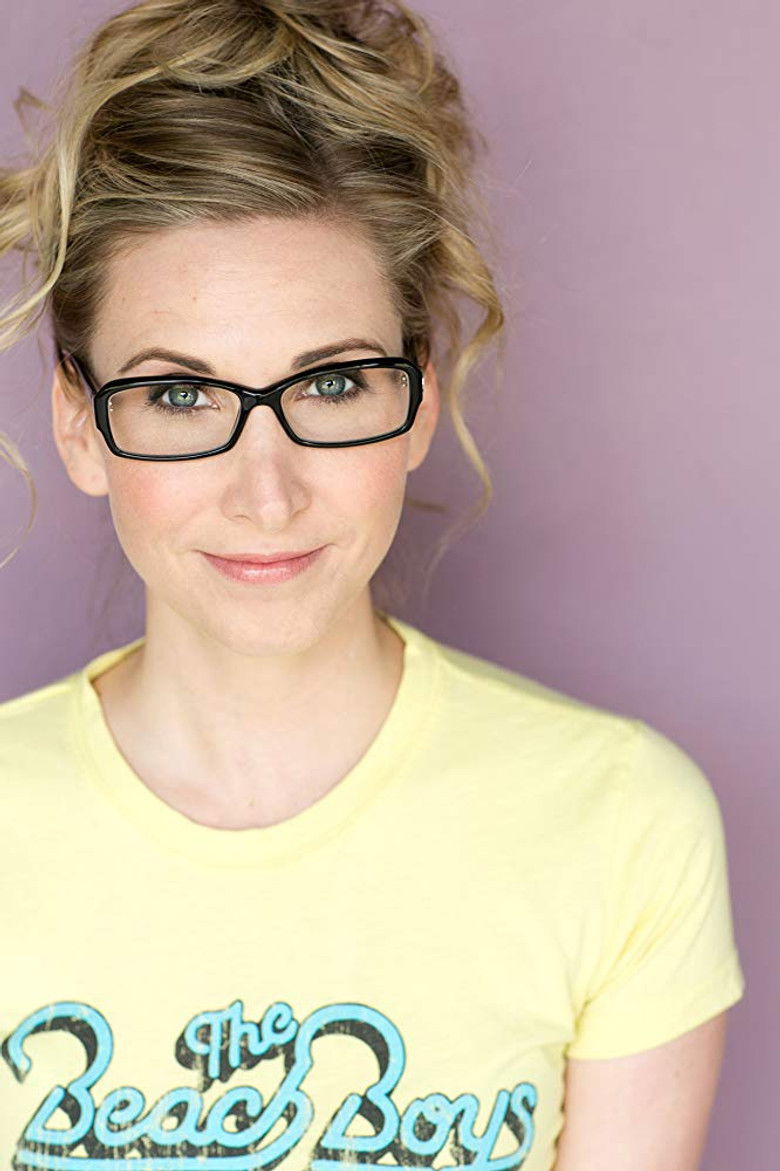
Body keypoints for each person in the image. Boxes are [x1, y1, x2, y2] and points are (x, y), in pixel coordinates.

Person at [0, 2, 745, 1168]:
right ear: (80, 426)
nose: (267, 492)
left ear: (420, 399)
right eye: (181, 395)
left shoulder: (621, 825)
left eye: (333, 385)